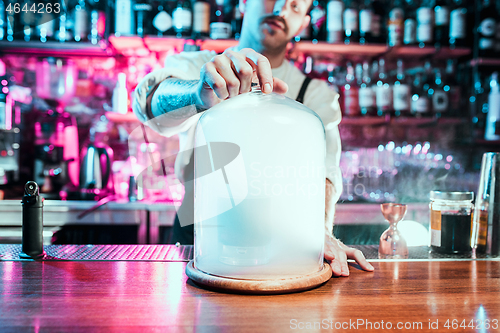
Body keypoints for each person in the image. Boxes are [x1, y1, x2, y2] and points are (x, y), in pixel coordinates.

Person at [133, 0, 374, 277]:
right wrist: (197, 93)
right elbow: (147, 104)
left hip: (285, 241)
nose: (282, 10)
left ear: (304, 22)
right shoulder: (200, 65)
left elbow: (325, 172)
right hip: (200, 233)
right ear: (245, 3)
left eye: (295, 6)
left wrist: (317, 231)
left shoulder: (316, 94)